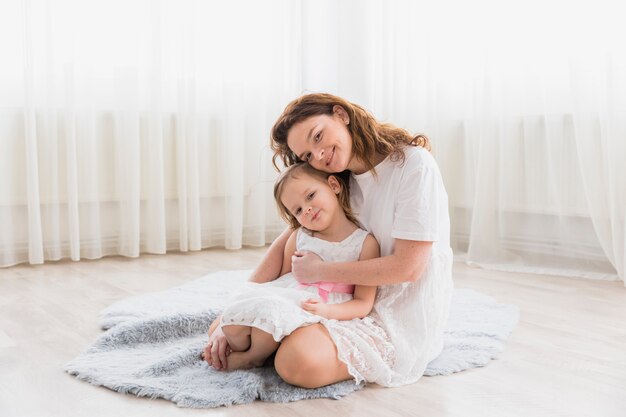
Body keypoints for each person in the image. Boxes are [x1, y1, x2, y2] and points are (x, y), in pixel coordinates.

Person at [206, 93, 453, 389]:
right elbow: (289, 240)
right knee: (226, 328)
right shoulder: (338, 174)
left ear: (341, 114)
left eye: (318, 136)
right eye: (308, 156)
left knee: (295, 362)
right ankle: (277, 339)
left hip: (394, 311)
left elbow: (407, 268)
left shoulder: (414, 166)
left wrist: (321, 272)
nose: (320, 155)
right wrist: (234, 309)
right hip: (340, 298)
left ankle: (284, 345)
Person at [202, 162, 379, 371]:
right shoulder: (299, 236)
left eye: (311, 196)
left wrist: (327, 310)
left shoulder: (365, 244)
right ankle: (246, 346)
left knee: (269, 317)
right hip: (290, 298)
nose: (308, 209)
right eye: (298, 210)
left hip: (322, 305)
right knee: (232, 320)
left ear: (334, 185)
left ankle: (253, 357)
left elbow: (363, 303)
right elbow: (283, 281)